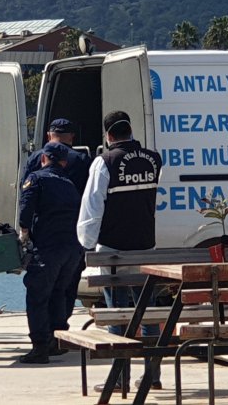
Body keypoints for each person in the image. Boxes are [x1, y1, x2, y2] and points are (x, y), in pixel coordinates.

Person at [77, 111, 163, 392]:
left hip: (114, 251)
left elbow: (92, 207)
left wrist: (87, 245)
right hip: (145, 248)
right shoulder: (153, 159)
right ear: (130, 130)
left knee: (119, 314)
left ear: (109, 135)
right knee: (147, 311)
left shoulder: (104, 162)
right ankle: (152, 374)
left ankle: (120, 377)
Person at [21, 118, 92, 332]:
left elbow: (25, 200)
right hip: (74, 238)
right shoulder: (82, 159)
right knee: (64, 288)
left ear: (48, 136)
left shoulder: (35, 160)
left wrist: (24, 231)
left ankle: (43, 341)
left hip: (45, 238)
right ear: (72, 137)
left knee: (40, 292)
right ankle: (60, 333)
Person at [18, 142, 82, 364]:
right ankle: (56, 342)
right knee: (58, 293)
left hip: (48, 248)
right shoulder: (70, 183)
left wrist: (23, 232)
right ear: (64, 162)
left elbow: (25, 209)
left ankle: (39, 347)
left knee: (37, 295)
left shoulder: (36, 178)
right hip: (72, 250)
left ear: (44, 158)